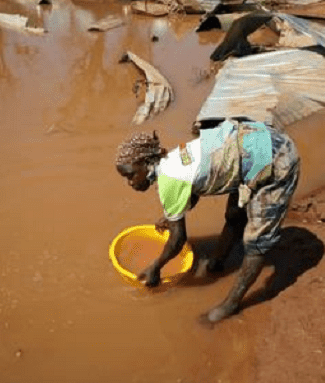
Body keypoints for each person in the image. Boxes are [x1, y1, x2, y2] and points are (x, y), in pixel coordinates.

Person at [114, 119, 300, 323]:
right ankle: (217, 262)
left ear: (147, 164)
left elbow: (178, 240)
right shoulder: (173, 157)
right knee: (235, 215)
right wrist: (170, 217)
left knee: (256, 242)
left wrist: (156, 266)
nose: (130, 182)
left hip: (276, 160)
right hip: (252, 143)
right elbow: (194, 187)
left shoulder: (169, 181)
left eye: (131, 175)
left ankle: (230, 305)